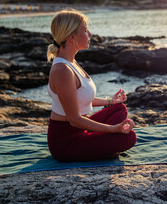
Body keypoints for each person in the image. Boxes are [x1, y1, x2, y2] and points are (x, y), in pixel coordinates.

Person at [46, 9, 136, 162]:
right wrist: (113, 129)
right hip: (66, 141)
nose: (90, 34)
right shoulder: (62, 70)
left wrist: (110, 102)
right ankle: (101, 145)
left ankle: (99, 144)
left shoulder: (71, 62)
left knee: (119, 108)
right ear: (72, 37)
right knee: (128, 139)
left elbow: (79, 99)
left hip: (81, 129)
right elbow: (74, 119)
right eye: (85, 30)